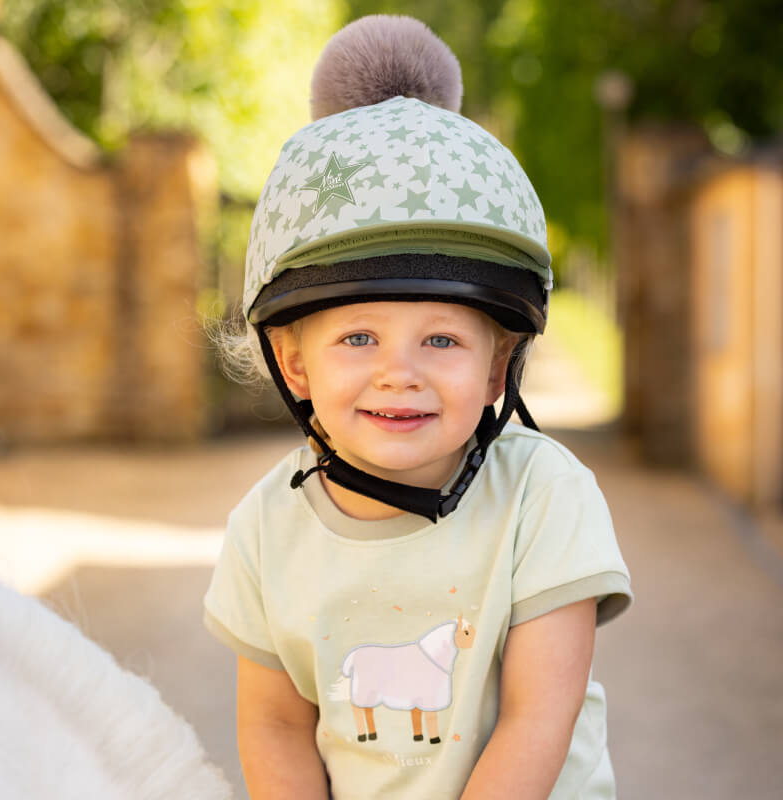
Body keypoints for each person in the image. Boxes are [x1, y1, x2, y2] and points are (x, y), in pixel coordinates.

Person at [204, 14, 631, 800]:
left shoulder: (544, 499)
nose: (399, 375)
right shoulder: (265, 530)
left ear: (500, 363)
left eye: (441, 341)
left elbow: (540, 716)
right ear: (293, 362)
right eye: (359, 338)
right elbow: (273, 727)